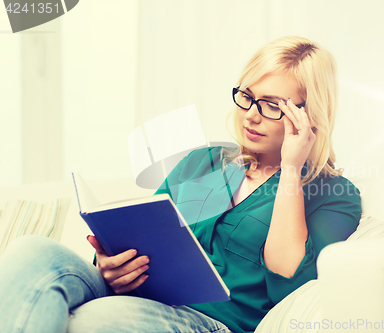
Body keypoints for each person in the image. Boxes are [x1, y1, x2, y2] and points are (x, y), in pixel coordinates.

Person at [0, 36, 361, 333]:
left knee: (98, 319)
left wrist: (291, 169)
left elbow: (289, 283)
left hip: (212, 323)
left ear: (309, 115)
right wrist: (109, 263)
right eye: (248, 97)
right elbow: (144, 232)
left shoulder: (333, 194)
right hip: (140, 295)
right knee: (30, 251)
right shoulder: (204, 161)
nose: (251, 113)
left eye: (271, 105)